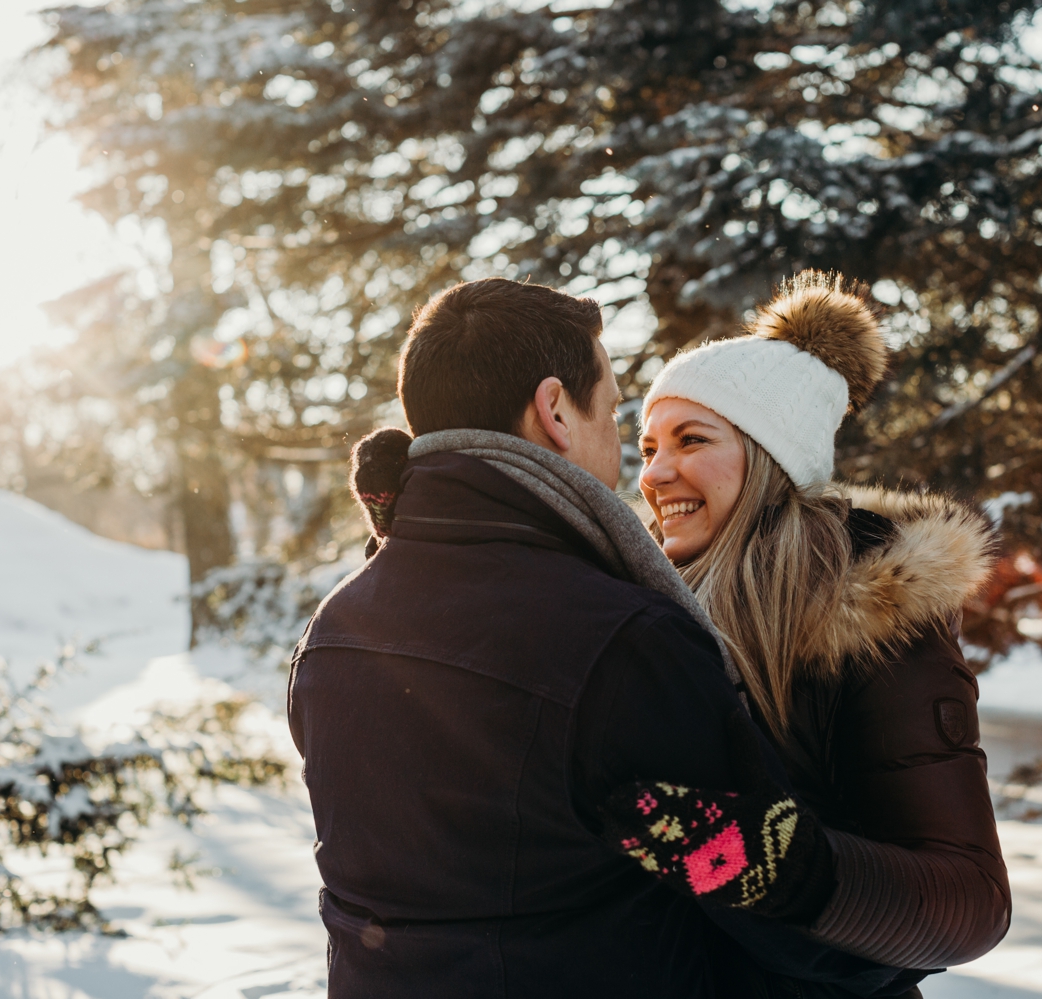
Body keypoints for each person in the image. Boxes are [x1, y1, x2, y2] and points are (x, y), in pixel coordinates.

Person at [289, 277, 925, 998]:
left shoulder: (334, 635)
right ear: (555, 409)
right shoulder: (625, 642)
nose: (634, 459)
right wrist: (909, 947)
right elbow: (783, 913)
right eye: (618, 413)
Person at [611, 272, 1011, 993]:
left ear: (770, 457)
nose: (656, 472)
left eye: (689, 439)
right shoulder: (638, 600)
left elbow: (972, 900)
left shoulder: (873, 618)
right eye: (646, 448)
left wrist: (779, 864)